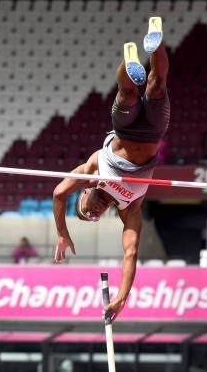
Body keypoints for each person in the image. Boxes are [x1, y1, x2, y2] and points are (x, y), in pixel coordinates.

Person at [52, 17, 169, 323]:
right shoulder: (129, 208)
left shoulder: (90, 171)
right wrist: (120, 297)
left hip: (125, 130)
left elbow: (58, 193)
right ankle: (154, 44)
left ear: (85, 194)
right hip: (153, 135)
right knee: (157, 85)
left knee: (127, 94)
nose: (95, 213)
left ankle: (129, 59)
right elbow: (130, 254)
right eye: (95, 217)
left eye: (88, 211)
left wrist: (63, 233)